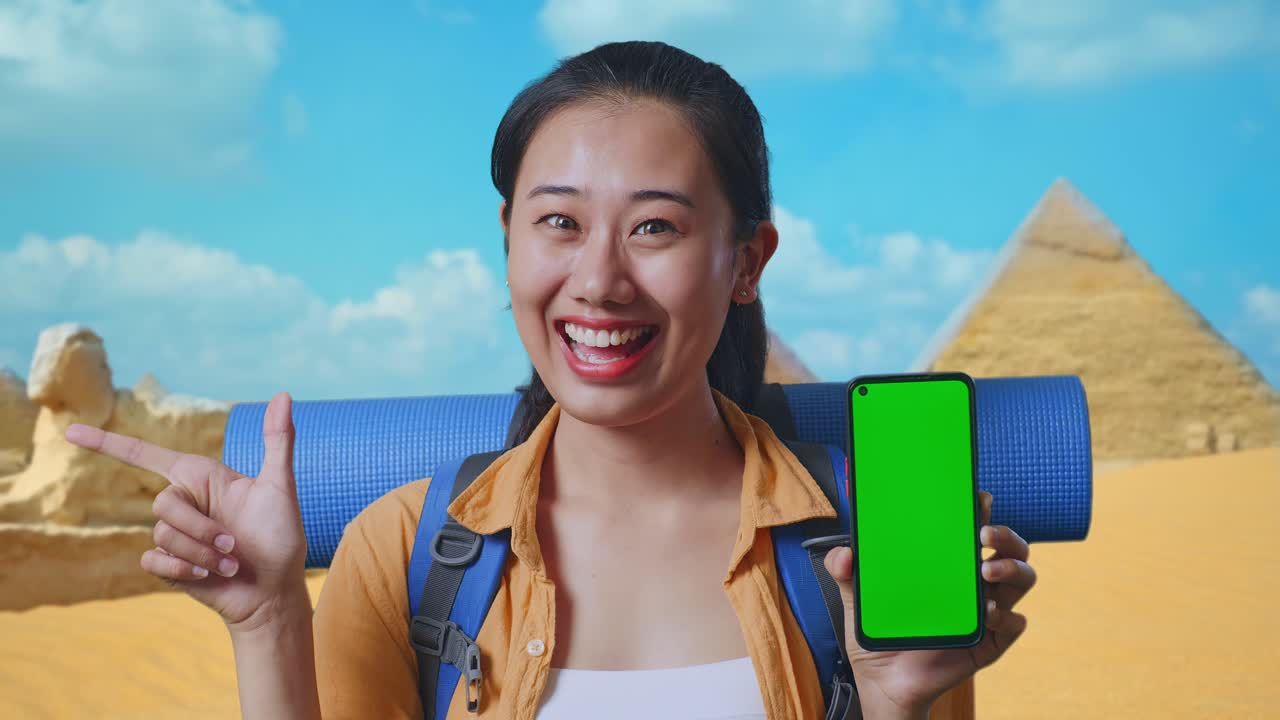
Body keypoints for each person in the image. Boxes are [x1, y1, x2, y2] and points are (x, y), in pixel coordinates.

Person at [65, 41, 1036, 720]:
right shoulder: (403, 551)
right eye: (559, 223)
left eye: (653, 225)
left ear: (745, 262)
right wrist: (271, 620)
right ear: (506, 242)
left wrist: (893, 704)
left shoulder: (880, 547)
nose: (599, 280)